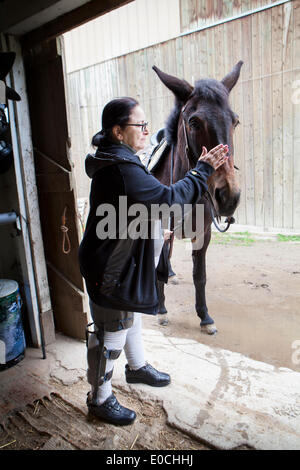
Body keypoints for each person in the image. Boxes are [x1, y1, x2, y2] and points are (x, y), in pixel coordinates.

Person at [78, 97, 229, 426]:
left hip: (118, 258)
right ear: (118, 131)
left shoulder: (119, 158)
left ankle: (136, 367)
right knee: (111, 332)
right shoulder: (121, 169)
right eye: (140, 125)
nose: (148, 131)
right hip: (109, 266)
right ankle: (99, 399)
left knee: (127, 316)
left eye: (147, 125)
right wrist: (202, 169)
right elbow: (169, 199)